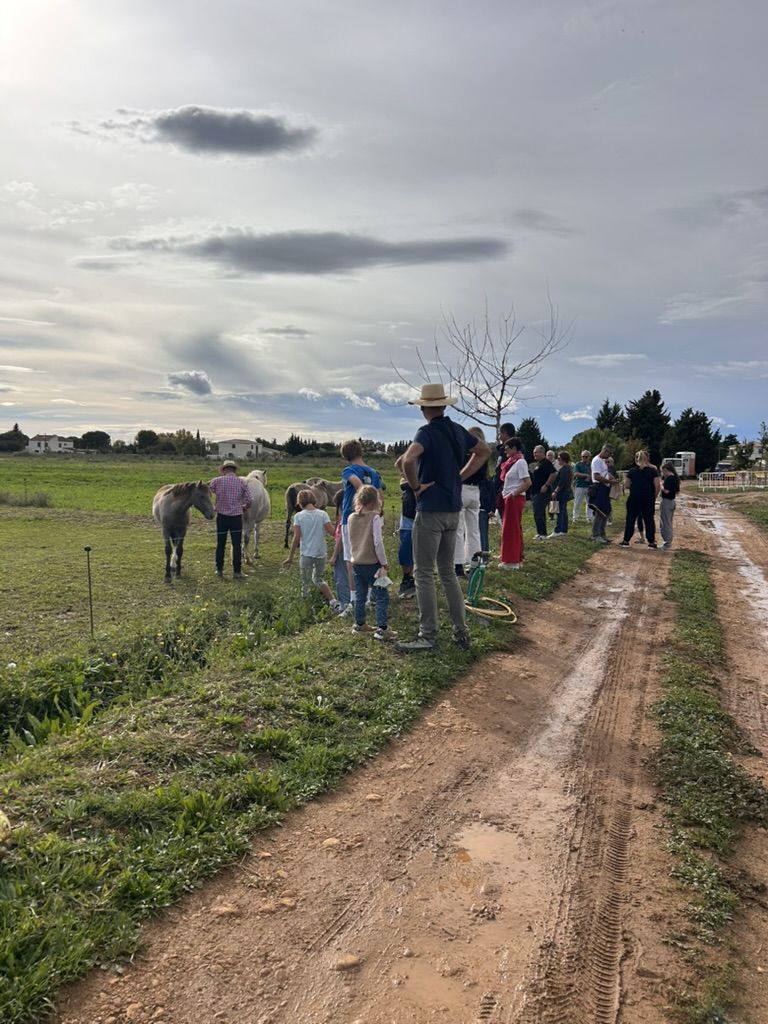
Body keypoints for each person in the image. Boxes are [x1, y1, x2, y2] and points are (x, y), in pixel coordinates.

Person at [395, 383, 491, 653]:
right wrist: (459, 476)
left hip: (430, 510)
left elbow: (408, 461)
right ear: (445, 405)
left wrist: (415, 488)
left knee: (424, 573)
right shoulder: (458, 430)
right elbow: (484, 451)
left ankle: (428, 636)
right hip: (452, 509)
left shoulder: (426, 432)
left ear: (423, 408)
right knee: (448, 572)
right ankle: (461, 633)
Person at [347, 485, 396, 641]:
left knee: (360, 595)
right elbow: (377, 542)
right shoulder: (374, 517)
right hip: (372, 562)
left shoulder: (351, 518)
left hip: (356, 562)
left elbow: (350, 541)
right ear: (375, 500)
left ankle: (359, 624)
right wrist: (384, 562)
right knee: (381, 595)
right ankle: (382, 628)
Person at [340, 439, 383, 604]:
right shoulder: (373, 472)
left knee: (351, 559)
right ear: (360, 452)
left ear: (346, 456)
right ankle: (368, 597)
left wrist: (361, 506)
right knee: (370, 558)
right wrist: (375, 511)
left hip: (352, 519)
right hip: (372, 518)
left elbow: (357, 484)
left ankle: (354, 600)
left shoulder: (349, 470)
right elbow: (380, 496)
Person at [283, 489, 338, 605]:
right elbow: (333, 533)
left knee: (305, 582)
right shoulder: (323, 514)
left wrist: (290, 557)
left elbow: (296, 538)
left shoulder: (298, 516)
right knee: (318, 579)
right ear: (313, 500)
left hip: (306, 554)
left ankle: (306, 606)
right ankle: (333, 601)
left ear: (300, 503)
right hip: (321, 553)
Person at [454, 425, 489, 574]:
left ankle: (458, 564)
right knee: (474, 530)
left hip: (462, 488)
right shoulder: (483, 455)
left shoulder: (464, 453)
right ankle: (475, 563)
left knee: (458, 529)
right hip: (476, 491)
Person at [209, 459, 251, 579]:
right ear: (234, 469)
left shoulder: (216, 481)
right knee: (236, 544)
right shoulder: (241, 482)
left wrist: (214, 505)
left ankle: (219, 570)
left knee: (220, 543)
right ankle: (237, 572)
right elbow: (249, 500)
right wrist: (243, 508)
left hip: (221, 517)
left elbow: (207, 492)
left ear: (224, 470)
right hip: (236, 518)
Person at [499, 437, 531, 569]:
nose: (505, 450)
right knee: (513, 528)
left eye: (507, 447)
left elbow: (527, 482)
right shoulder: (512, 462)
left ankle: (511, 562)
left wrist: (513, 494)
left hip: (514, 499)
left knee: (510, 529)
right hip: (510, 498)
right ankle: (515, 557)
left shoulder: (520, 462)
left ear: (514, 448)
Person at [619, 450, 660, 548]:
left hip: (634, 497)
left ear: (636, 459)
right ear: (647, 459)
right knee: (649, 519)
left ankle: (626, 540)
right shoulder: (653, 471)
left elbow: (626, 485)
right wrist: (653, 497)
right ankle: (651, 542)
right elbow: (657, 486)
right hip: (648, 498)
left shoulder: (632, 471)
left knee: (631, 519)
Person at [394, 454, 416, 599]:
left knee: (413, 551)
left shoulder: (417, 481)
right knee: (405, 551)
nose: (401, 474)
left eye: (403, 470)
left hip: (416, 520)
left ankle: (412, 579)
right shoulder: (406, 483)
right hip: (406, 521)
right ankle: (407, 577)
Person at [589, 444, 617, 543]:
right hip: (599, 487)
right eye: (609, 452)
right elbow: (596, 477)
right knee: (600, 511)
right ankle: (595, 534)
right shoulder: (597, 460)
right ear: (605, 450)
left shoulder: (603, 461)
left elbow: (603, 474)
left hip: (604, 488)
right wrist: (610, 482)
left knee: (606, 511)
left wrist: (611, 478)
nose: (610, 455)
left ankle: (602, 534)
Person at [329, 491, 351, 612]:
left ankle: (344, 604)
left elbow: (341, 538)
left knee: (341, 577)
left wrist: (334, 555)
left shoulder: (344, 518)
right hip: (351, 548)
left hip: (342, 550)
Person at [529, 446, 557, 540]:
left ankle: (543, 534)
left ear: (542, 453)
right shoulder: (539, 463)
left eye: (536, 452)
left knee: (539, 512)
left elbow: (554, 473)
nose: (534, 454)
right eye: (534, 452)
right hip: (535, 491)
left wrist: (546, 485)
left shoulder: (546, 463)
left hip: (542, 493)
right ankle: (539, 532)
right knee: (537, 513)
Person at [492, 422, 516, 518]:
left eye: (500, 434)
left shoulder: (514, 450)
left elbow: (504, 469)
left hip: (506, 487)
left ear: (505, 433)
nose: (499, 436)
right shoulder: (502, 449)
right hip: (501, 487)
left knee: (508, 517)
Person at [550, 451, 574, 536]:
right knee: (563, 511)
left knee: (560, 512)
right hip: (565, 492)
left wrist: (556, 491)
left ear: (564, 459)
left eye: (559, 458)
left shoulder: (564, 469)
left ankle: (558, 530)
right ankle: (564, 530)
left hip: (562, 493)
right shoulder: (568, 468)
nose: (558, 460)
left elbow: (562, 482)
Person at [659, 461, 680, 549]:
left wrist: (661, 486)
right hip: (672, 502)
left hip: (667, 501)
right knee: (668, 522)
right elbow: (677, 491)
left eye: (663, 471)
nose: (662, 473)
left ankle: (667, 543)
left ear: (666, 470)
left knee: (665, 523)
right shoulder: (675, 478)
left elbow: (666, 491)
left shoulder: (669, 479)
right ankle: (667, 542)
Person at [572, 450, 593, 523]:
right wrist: (586, 475)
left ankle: (589, 517)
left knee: (589, 502)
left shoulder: (591, 465)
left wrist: (589, 477)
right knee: (577, 502)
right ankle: (575, 517)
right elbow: (576, 474)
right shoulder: (578, 464)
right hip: (580, 485)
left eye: (586, 456)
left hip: (589, 486)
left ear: (589, 457)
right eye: (583, 456)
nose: (584, 458)